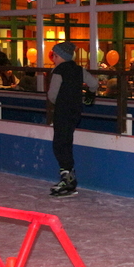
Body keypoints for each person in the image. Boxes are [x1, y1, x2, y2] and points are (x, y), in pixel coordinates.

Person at [47, 41, 98, 197]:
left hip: (63, 111)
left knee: (60, 144)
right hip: (75, 111)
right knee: (65, 141)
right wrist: (90, 94)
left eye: (55, 56)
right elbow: (94, 83)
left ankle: (68, 180)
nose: (53, 59)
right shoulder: (79, 69)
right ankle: (68, 178)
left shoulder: (58, 71)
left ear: (61, 56)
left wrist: (60, 102)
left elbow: (52, 95)